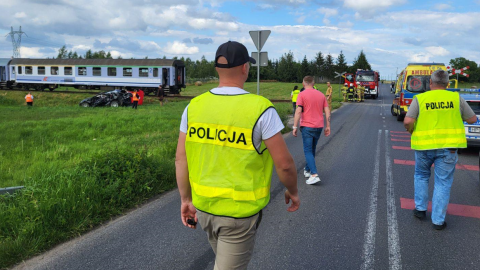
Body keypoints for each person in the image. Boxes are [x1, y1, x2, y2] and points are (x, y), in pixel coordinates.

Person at [175, 41, 300, 269]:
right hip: (239, 215)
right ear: (245, 68)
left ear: (216, 69)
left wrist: (185, 199)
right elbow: (284, 164)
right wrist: (293, 190)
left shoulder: (193, 107)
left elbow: (180, 159)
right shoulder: (261, 109)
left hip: (204, 210)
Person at [404, 69, 477, 230]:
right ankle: (438, 221)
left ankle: (420, 209)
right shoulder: (456, 98)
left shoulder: (420, 99)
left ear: (430, 82)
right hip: (448, 148)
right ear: (448, 84)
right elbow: (472, 119)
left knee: (421, 176)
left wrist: (411, 130)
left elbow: (408, 120)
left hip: (423, 146)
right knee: (443, 183)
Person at [292, 75, 331, 185]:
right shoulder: (321, 95)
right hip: (319, 126)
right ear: (313, 84)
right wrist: (328, 125)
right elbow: (327, 111)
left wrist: (294, 126)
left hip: (307, 127)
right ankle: (307, 170)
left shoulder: (301, 94)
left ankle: (314, 174)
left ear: (303, 84)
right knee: (312, 149)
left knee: (308, 150)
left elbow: (298, 111)